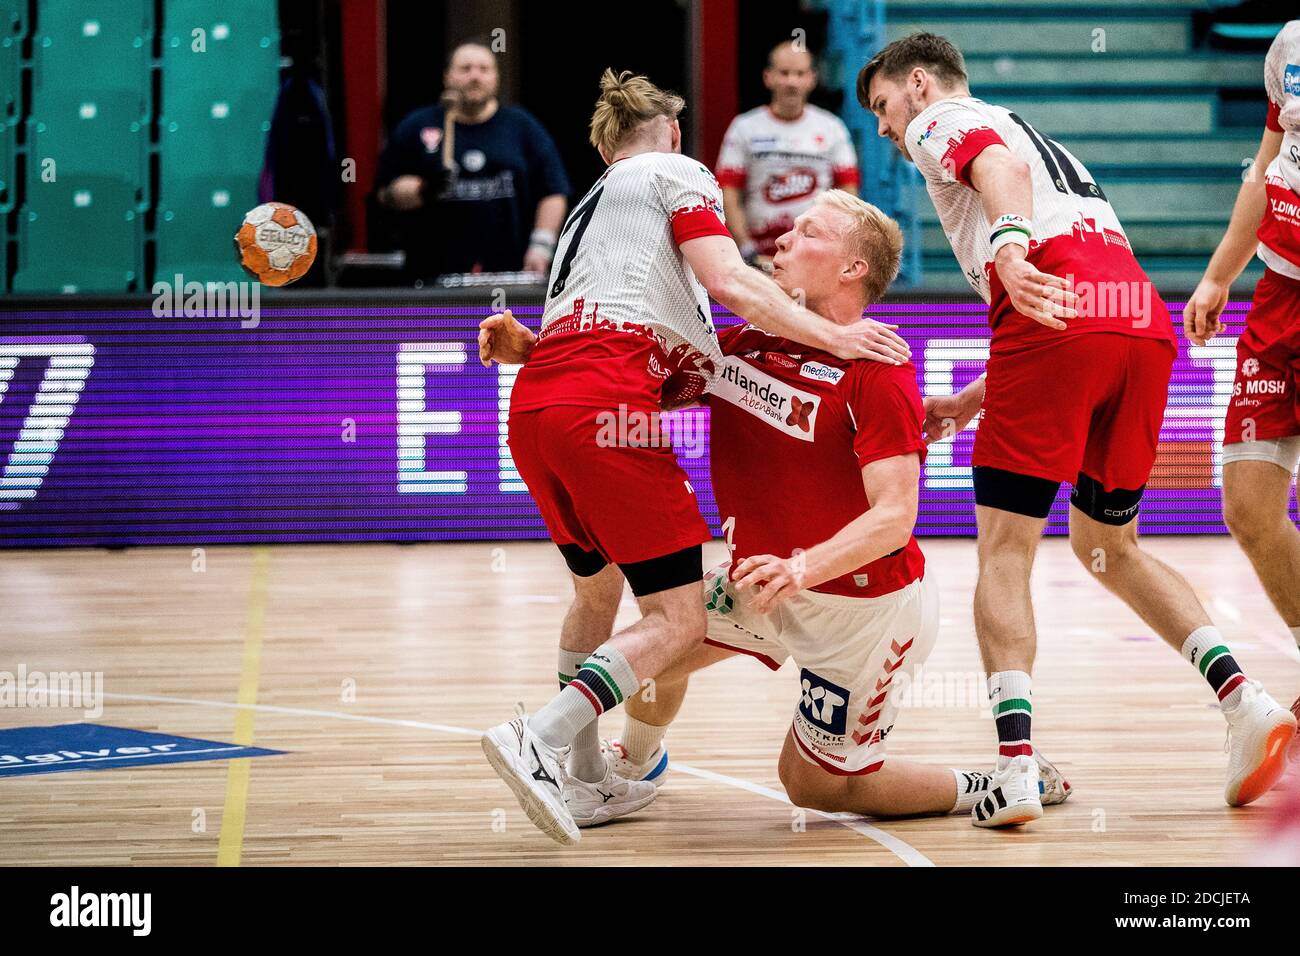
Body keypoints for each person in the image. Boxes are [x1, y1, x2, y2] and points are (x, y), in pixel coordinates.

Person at [858, 31, 1296, 827]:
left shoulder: (942, 120)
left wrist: (1011, 244)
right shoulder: (1040, 133)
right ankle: (1249, 703)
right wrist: (972, 399)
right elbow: (1086, 294)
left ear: (917, 83)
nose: (887, 129)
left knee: (1003, 551)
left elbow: (1003, 174)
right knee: (1109, 547)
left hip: (1056, 304)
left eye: (884, 108)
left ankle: (1017, 771)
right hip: (1134, 317)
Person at [476, 69, 911, 846]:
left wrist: (526, 349)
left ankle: (586, 776)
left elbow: (617, 334)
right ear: (674, 137)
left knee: (595, 593)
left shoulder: (592, 207)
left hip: (540, 405)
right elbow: (729, 281)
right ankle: (539, 736)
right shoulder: (678, 173)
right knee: (675, 620)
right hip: (607, 404)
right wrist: (838, 337)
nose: (785, 240)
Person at [599, 190, 1071, 820]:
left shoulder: (880, 369)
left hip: (864, 612)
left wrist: (801, 568)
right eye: (789, 230)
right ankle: (635, 764)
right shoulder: (742, 344)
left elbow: (894, 518)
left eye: (809, 233)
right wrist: (541, 351)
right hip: (765, 583)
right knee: (658, 645)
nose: (783, 241)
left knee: (813, 785)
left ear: (853, 268)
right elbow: (642, 382)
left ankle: (992, 783)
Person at [1184, 20, 1300, 753]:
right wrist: (1219, 273)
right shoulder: (1288, 42)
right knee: (1248, 505)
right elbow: (1265, 169)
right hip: (1278, 301)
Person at [374, 40, 570, 280]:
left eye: (484, 69)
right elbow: (385, 195)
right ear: (447, 76)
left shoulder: (522, 126)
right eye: (465, 69)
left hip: (509, 276)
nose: (475, 76)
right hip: (431, 279)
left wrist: (541, 248)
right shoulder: (417, 126)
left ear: (496, 77)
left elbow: (554, 190)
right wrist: (424, 189)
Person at [716, 41, 859, 268]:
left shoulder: (833, 128)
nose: (792, 82)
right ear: (768, 77)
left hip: (814, 254)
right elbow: (728, 194)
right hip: (759, 256)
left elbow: (848, 195)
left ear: (812, 78)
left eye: (800, 73)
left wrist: (833, 245)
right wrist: (747, 249)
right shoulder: (743, 127)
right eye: (784, 73)